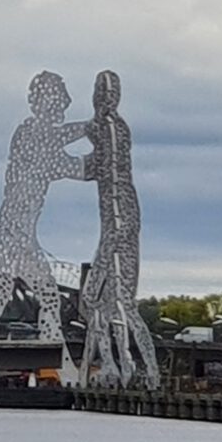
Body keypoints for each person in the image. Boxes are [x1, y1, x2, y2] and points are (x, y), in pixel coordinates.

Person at [0, 71, 88, 343]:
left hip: (18, 231)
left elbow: (64, 147)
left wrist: (92, 130)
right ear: (43, 102)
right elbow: (75, 164)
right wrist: (94, 128)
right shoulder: (32, 135)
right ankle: (51, 344)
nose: (65, 103)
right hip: (17, 230)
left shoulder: (36, 137)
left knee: (8, 293)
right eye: (60, 99)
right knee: (44, 297)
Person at [80, 70, 160, 387]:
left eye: (105, 92)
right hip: (121, 224)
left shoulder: (108, 127)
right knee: (111, 307)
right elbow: (94, 168)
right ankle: (120, 368)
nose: (104, 97)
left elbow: (101, 170)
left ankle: (127, 368)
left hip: (119, 226)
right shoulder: (113, 128)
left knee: (105, 303)